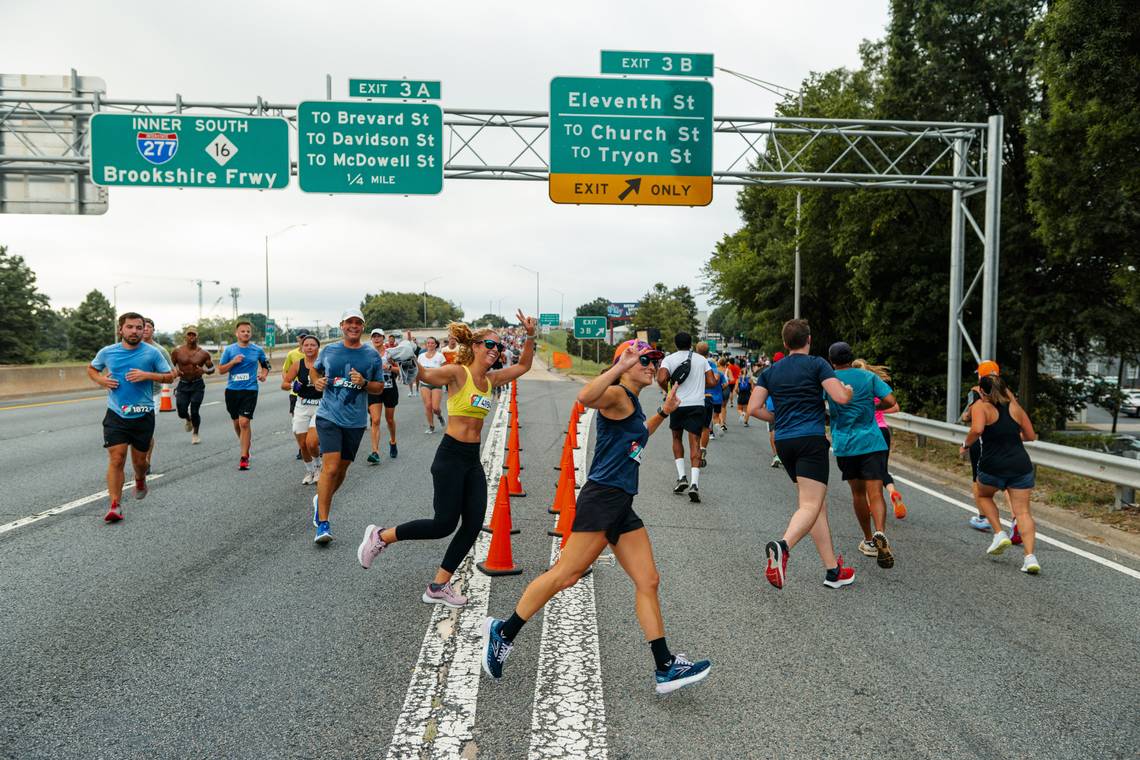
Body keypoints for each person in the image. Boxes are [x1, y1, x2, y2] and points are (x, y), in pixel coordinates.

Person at [480, 341, 712, 694]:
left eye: (654, 360)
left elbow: (636, 440)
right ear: (626, 363)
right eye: (644, 360)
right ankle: (503, 632)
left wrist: (663, 413)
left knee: (648, 580)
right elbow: (585, 397)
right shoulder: (617, 392)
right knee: (565, 575)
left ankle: (664, 666)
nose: (652, 366)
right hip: (603, 499)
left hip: (621, 504)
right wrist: (619, 367)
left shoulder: (631, 403)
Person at [356, 312, 537, 606]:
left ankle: (438, 586)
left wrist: (529, 336)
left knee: (474, 523)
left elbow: (525, 365)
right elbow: (426, 376)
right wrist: (411, 355)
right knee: (443, 524)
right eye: (489, 344)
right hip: (450, 456)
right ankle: (381, 535)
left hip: (471, 460)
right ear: (476, 346)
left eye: (499, 347)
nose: (495, 350)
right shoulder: (458, 373)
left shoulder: (491, 380)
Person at [749, 319, 855, 590]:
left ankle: (833, 571)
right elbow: (840, 398)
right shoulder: (817, 364)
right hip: (810, 439)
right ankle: (782, 547)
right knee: (810, 505)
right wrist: (848, 390)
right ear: (809, 339)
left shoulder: (770, 372)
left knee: (815, 503)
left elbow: (753, 408)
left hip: (784, 442)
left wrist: (775, 416)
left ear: (785, 344)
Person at [87, 312, 173, 521]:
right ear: (121, 329)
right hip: (116, 413)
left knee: (140, 462)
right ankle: (115, 505)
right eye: (130, 327)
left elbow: (171, 375)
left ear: (144, 329)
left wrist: (148, 375)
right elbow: (92, 368)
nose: (134, 331)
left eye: (138, 327)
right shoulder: (108, 352)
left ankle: (140, 478)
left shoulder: (152, 353)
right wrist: (101, 380)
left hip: (142, 413)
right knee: (116, 458)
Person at [309, 310, 386, 543]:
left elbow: (379, 388)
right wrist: (316, 381)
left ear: (362, 327)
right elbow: (315, 369)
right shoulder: (330, 350)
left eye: (358, 323)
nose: (353, 326)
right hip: (328, 416)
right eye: (349, 322)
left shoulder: (371, 356)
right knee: (330, 468)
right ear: (342, 325)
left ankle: (320, 499)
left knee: (341, 470)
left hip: (355, 421)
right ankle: (323, 524)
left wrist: (364, 383)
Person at [826, 343, 898, 569]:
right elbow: (891, 401)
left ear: (831, 361)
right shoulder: (867, 377)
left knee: (858, 493)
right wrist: (873, 405)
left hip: (846, 444)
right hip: (872, 441)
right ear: (851, 357)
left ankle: (868, 540)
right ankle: (881, 533)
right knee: (875, 493)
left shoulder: (830, 380)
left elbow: (819, 405)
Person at [960, 374, 1040, 573]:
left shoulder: (981, 407)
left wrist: (965, 444)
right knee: (1023, 512)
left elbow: (977, 429)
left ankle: (999, 533)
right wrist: (1010, 436)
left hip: (992, 465)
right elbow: (1030, 436)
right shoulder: (1015, 408)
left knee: (983, 494)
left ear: (983, 391)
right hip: (1020, 466)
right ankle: (1030, 558)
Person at [961, 360, 1019, 543]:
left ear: (980, 376)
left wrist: (965, 418)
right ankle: (1016, 519)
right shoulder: (1006, 392)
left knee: (978, 480)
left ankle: (983, 517)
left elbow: (970, 415)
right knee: (1008, 483)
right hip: (1007, 441)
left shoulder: (977, 391)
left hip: (984, 442)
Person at [657, 331, 716, 503]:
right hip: (697, 405)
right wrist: (698, 384)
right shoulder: (701, 359)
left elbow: (661, 378)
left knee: (676, 437)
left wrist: (668, 390)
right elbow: (712, 382)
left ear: (675, 343)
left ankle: (682, 476)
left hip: (677, 404)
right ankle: (695, 484)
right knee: (694, 442)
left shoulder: (669, 359)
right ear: (691, 344)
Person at [853, 359, 908, 519]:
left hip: (867, 431)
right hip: (883, 430)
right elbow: (896, 407)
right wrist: (879, 410)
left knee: (867, 471)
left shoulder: (856, 389)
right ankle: (892, 491)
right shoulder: (875, 386)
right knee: (881, 468)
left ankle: (871, 505)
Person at [218, 321, 269, 471]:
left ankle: (244, 456)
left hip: (250, 390)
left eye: (248, 331)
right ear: (237, 333)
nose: (245, 333)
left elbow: (266, 366)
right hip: (232, 391)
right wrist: (233, 362)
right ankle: (245, 444)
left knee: (244, 422)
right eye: (242, 331)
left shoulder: (257, 350)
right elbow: (220, 370)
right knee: (237, 423)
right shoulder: (229, 350)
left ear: (250, 333)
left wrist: (264, 375)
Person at [281, 334, 323, 485]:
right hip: (302, 406)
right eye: (306, 345)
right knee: (303, 444)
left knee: (312, 443)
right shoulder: (298, 364)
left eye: (313, 345)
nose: (309, 347)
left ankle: (318, 466)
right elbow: (284, 384)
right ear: (302, 348)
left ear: (318, 347)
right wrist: (293, 386)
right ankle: (310, 471)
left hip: (320, 406)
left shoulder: (324, 363)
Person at [171, 325, 215, 445]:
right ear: (185, 336)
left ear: (197, 337)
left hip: (197, 385)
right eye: (189, 334)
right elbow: (170, 367)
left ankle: (195, 433)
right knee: (181, 411)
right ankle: (188, 419)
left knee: (195, 410)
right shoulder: (177, 352)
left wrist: (205, 371)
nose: (191, 337)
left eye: (193, 335)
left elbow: (212, 369)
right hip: (183, 384)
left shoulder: (204, 353)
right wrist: (176, 372)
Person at [141, 318, 173, 473]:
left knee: (146, 430)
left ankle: (146, 461)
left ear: (153, 330)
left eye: (149, 327)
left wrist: (151, 375)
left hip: (152, 393)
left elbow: (172, 373)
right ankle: (139, 459)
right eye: (143, 327)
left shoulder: (160, 351)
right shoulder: (130, 349)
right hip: (132, 395)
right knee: (135, 432)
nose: (146, 329)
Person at [366, 328, 401, 464]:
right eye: (374, 336)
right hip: (374, 389)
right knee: (375, 420)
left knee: (390, 420)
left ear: (383, 338)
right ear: (371, 339)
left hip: (389, 388)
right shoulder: (367, 354)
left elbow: (400, 370)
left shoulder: (390, 354)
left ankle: (393, 441)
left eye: (379, 336)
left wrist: (390, 368)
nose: (376, 339)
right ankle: (375, 452)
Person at [282, 333, 309, 460]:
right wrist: (291, 385)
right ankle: (301, 447)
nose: (304, 339)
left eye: (306, 337)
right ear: (298, 339)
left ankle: (314, 444)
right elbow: (285, 371)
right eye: (301, 337)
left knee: (313, 423)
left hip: (314, 395)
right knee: (297, 422)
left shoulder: (315, 353)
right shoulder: (292, 354)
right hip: (296, 394)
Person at [417, 336, 447, 433]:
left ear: (435, 344)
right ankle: (431, 426)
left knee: (435, 408)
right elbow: (418, 371)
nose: (430, 345)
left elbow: (444, 371)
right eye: (428, 343)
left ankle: (439, 416)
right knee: (428, 405)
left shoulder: (440, 356)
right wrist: (416, 383)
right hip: (424, 384)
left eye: (432, 343)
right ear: (426, 345)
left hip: (436, 384)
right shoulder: (421, 357)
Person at [767, 352, 785, 467]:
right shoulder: (789, 372)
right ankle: (784, 455)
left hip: (771, 405)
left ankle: (776, 455)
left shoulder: (769, 373)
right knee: (783, 429)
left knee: (773, 429)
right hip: (785, 405)